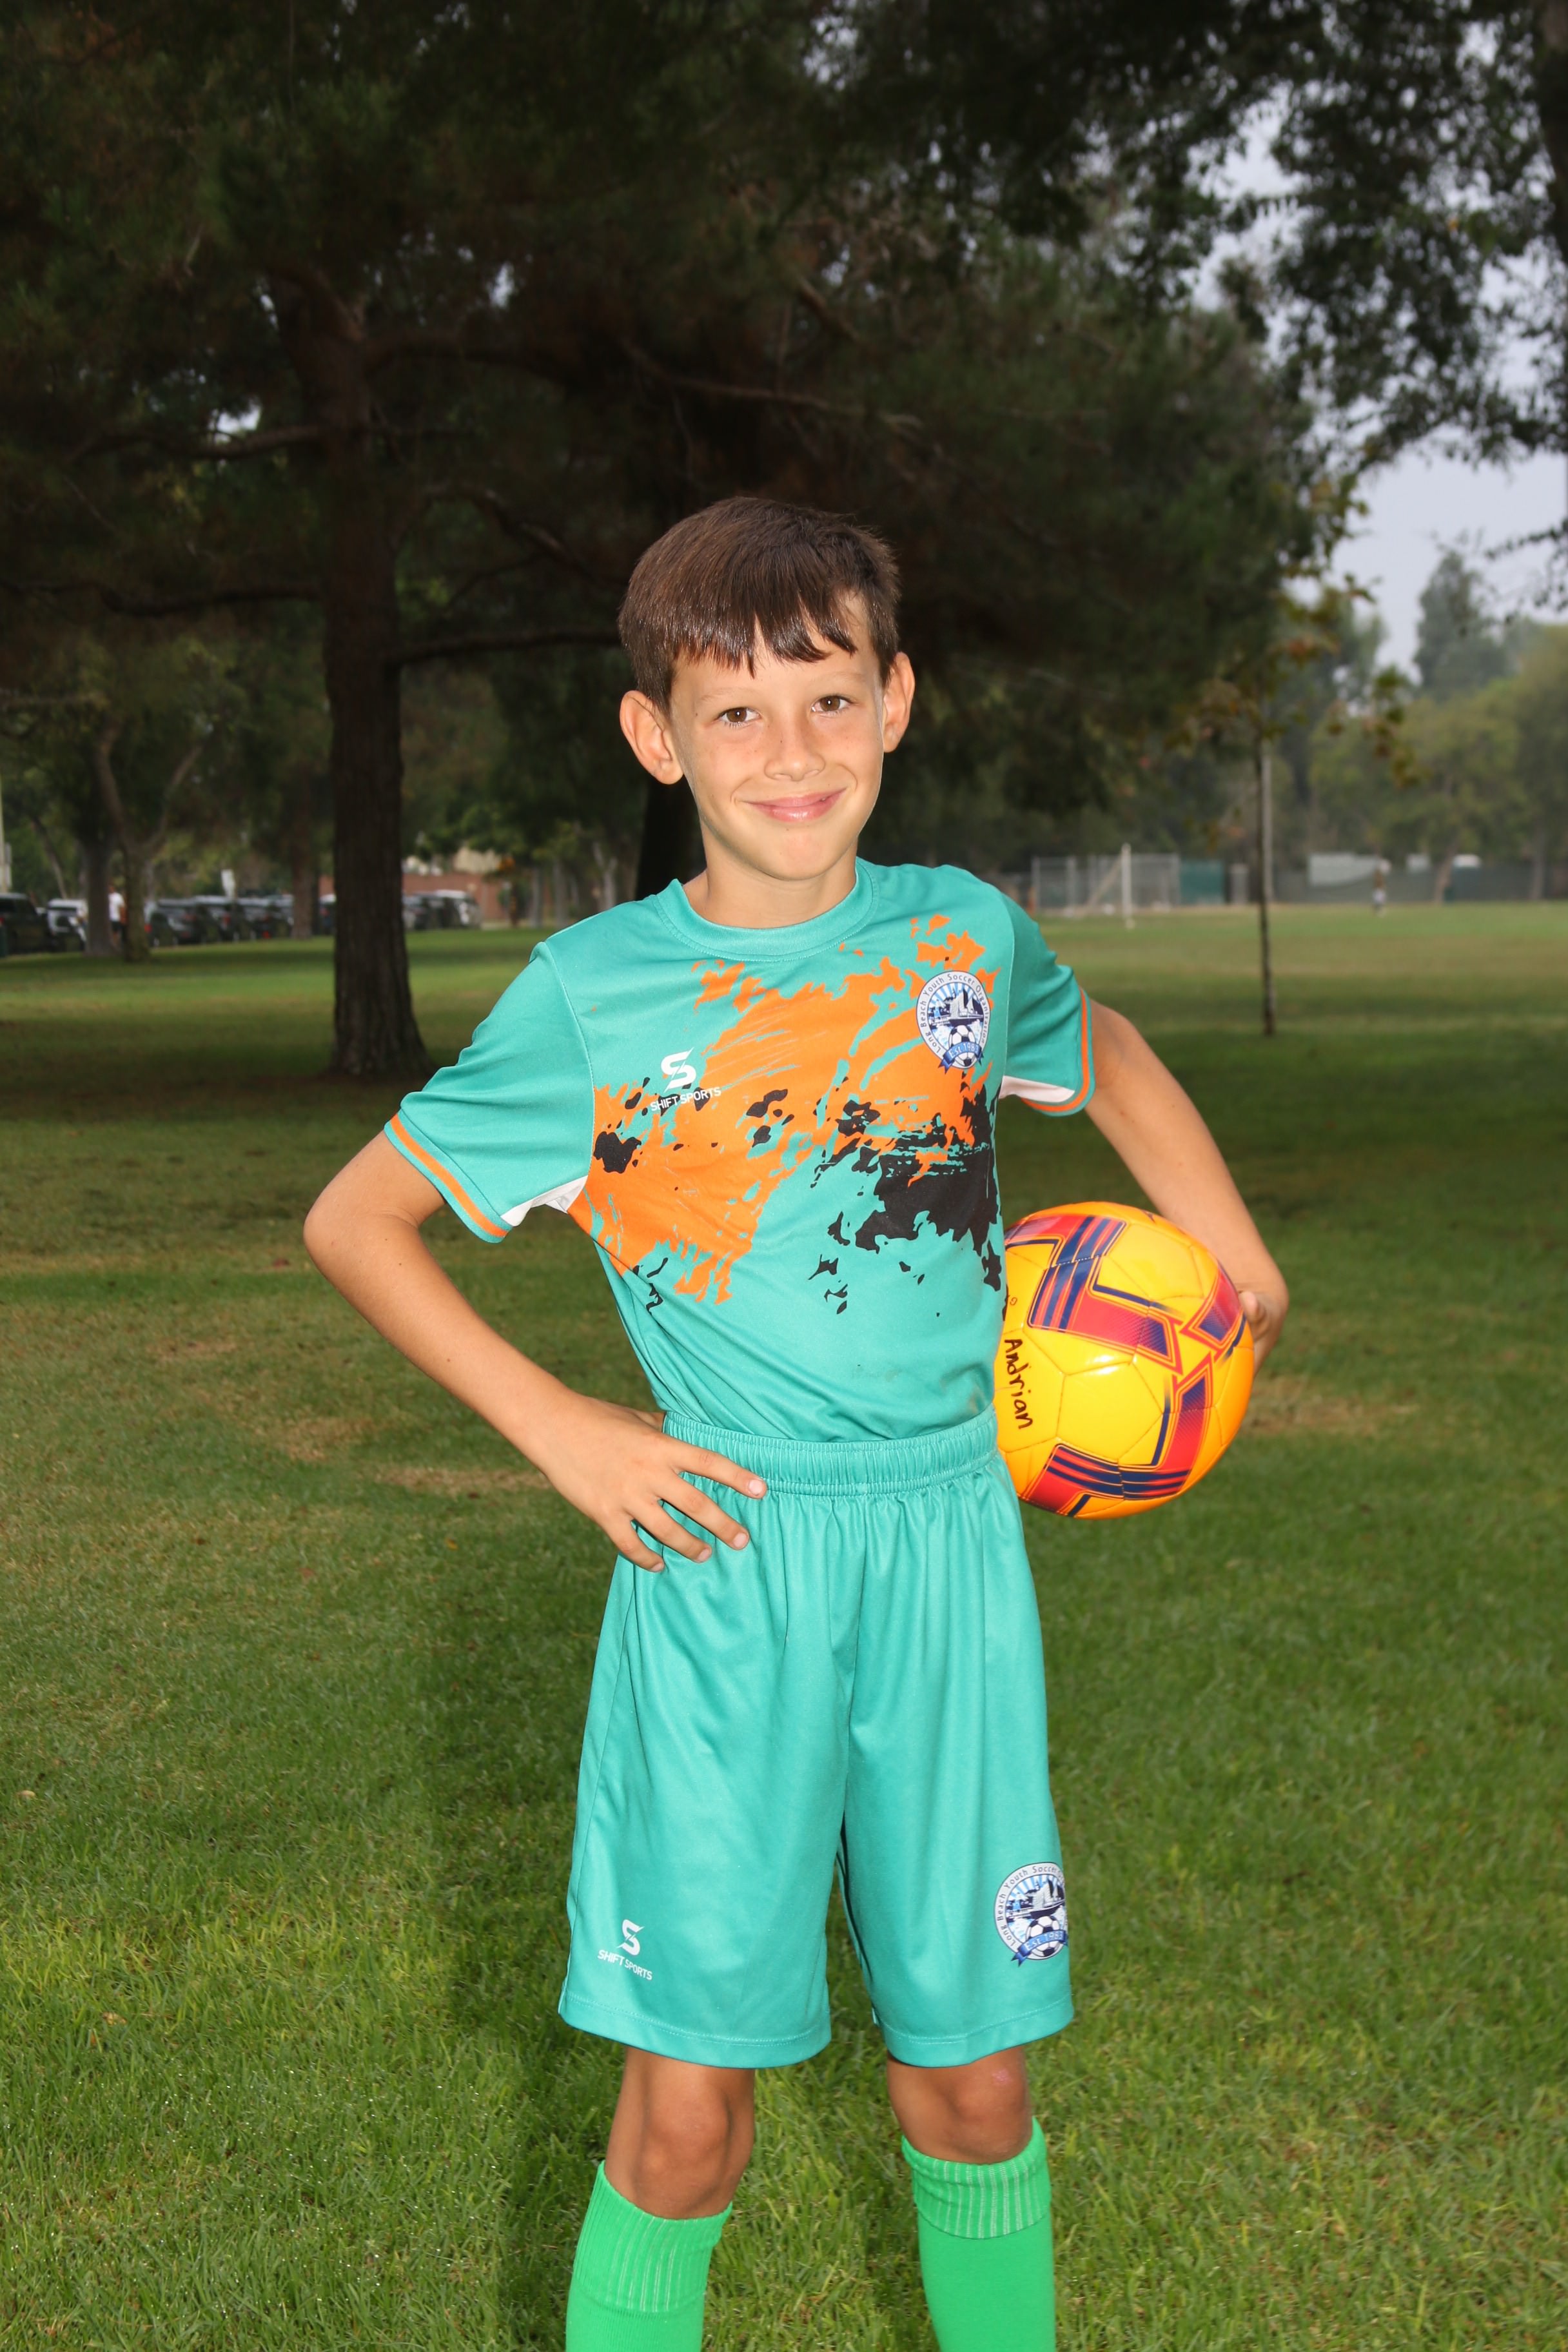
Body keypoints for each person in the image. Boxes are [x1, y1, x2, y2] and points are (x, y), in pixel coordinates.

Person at [304, 498, 1289, 2350]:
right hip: (726, 1566)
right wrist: (564, 1429)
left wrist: (1230, 1251)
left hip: (951, 1557)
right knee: (689, 2121)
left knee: (974, 2086)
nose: (791, 752)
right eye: (736, 713)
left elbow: (1106, 1051)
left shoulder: (965, 938)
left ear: (896, 702)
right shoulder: (594, 995)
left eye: (830, 699)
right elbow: (357, 1222)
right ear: (655, 736)